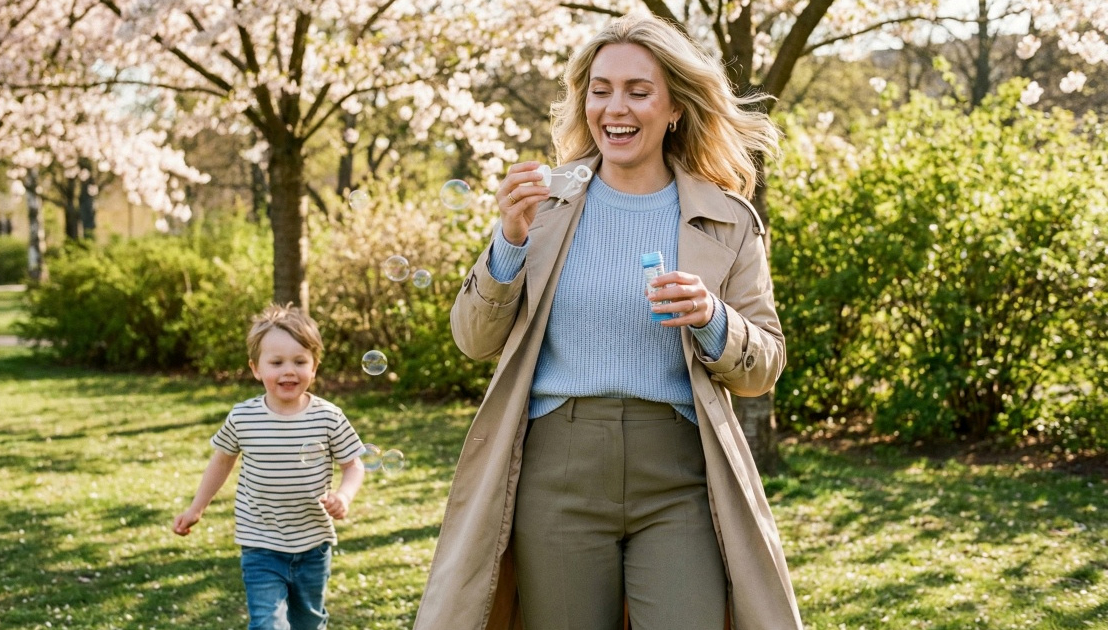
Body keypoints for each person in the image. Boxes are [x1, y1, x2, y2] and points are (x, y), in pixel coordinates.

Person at [413, 12, 802, 630]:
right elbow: (473, 338)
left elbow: (765, 366)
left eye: (638, 91)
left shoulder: (727, 219)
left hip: (681, 475)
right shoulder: (542, 203)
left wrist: (712, 319)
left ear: (675, 106)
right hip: (557, 475)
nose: (614, 108)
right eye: (600, 89)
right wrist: (508, 242)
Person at [173, 303, 366, 630]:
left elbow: (354, 465)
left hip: (313, 544)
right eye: (276, 362)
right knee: (267, 624)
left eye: (300, 361)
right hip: (260, 543)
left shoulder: (328, 417)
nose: (288, 371)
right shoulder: (243, 417)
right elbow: (221, 462)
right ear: (256, 368)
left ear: (314, 367)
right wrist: (196, 508)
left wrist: (344, 496)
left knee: (308, 623)